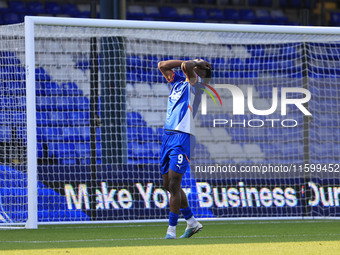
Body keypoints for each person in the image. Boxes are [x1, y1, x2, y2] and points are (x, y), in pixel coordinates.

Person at [158, 59, 212, 239]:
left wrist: (195, 63)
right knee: (168, 185)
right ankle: (192, 223)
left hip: (183, 136)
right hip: (168, 136)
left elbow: (186, 67)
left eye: (199, 66)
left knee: (174, 184)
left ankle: (171, 231)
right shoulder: (178, 83)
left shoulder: (197, 84)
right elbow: (162, 65)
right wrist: (191, 61)